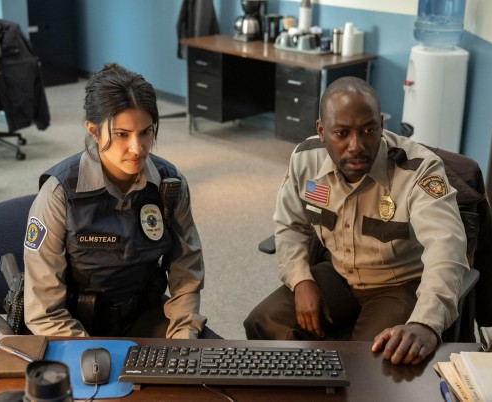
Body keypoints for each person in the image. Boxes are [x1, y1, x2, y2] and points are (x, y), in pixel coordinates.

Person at [244, 76, 469, 365]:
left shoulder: (418, 170)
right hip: (338, 273)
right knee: (263, 323)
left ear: (381, 125)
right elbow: (290, 226)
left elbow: (446, 247)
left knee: (373, 361)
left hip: (398, 283)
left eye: (369, 130)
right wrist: (300, 280)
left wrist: (426, 322)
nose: (356, 146)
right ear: (321, 131)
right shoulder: (306, 160)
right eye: (342, 133)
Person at [23, 63, 216, 339]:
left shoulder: (170, 185)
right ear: (94, 131)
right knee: (108, 368)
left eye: (145, 132)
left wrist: (184, 334)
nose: (137, 149)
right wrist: (91, 352)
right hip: (74, 326)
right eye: (122, 135)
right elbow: (45, 312)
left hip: (144, 316)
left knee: (208, 359)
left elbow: (186, 273)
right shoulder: (58, 195)